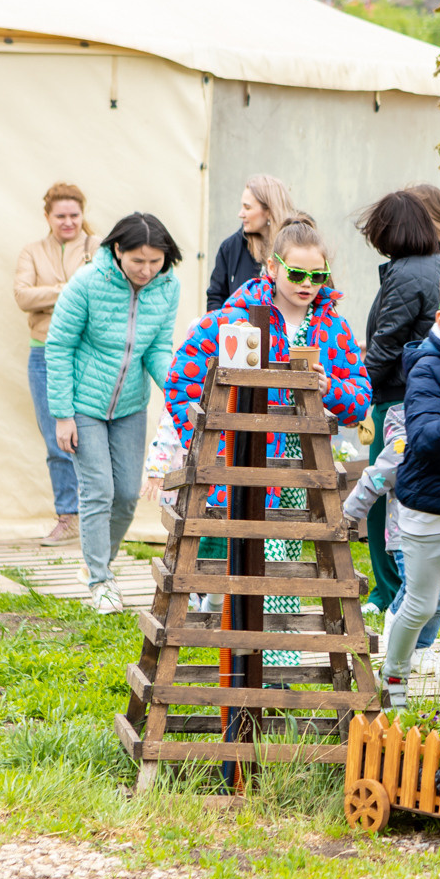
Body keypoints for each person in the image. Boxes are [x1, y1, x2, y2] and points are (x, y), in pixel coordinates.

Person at [167, 218, 370, 664]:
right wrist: (211, 446)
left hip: (303, 470)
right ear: (272, 267)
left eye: (317, 276)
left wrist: (327, 387)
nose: (307, 284)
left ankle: (271, 667)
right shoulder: (234, 319)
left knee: (284, 569)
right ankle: (253, 667)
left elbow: (358, 403)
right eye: (297, 273)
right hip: (246, 462)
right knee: (252, 565)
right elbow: (181, 381)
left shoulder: (334, 328)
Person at [45, 213, 184, 614]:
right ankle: (100, 580)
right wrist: (63, 414)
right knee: (99, 490)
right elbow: (59, 346)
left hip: (129, 406)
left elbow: (158, 347)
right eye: (138, 260)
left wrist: (179, 388)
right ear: (117, 250)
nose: (146, 270)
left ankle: (96, 563)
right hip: (83, 406)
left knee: (126, 494)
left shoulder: (167, 287)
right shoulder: (88, 283)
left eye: (155, 262)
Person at [366, 263, 440, 708]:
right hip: (429, 508)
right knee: (423, 604)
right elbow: (425, 439)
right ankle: (394, 678)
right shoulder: (425, 369)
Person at [357, 189, 440, 622]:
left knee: (380, 495)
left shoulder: (405, 274)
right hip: (433, 398)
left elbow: (386, 343)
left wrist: (355, 388)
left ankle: (391, 591)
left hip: (396, 399)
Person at [14, 182, 93, 545]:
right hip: (43, 352)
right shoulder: (31, 251)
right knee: (55, 438)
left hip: (89, 353)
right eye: (60, 216)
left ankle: (95, 516)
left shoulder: (98, 248)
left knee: (92, 435)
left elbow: (101, 293)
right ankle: (68, 516)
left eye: (74, 215)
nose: (68, 222)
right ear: (47, 216)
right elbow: (22, 296)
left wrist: (49, 295)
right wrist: (66, 290)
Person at [205, 174, 294, 312]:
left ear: (269, 211)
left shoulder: (298, 245)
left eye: (247, 208)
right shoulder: (230, 247)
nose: (240, 214)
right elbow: (216, 298)